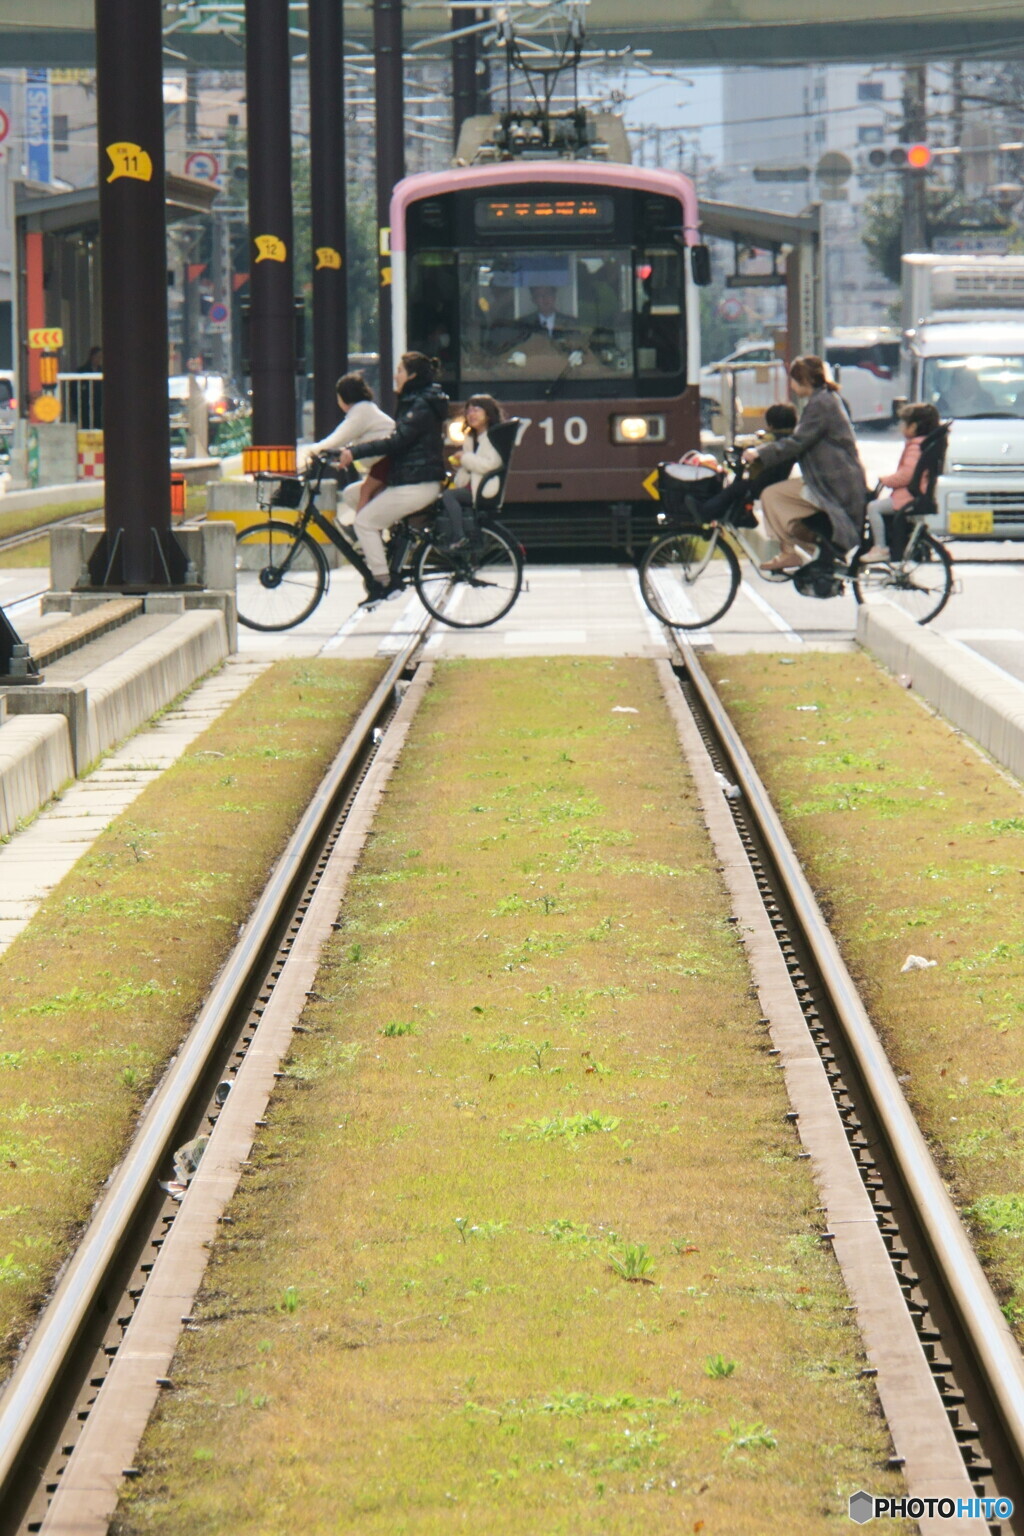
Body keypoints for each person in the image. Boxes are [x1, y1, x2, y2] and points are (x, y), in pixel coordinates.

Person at [337, 352, 449, 605]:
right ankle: (385, 549)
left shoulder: (419, 404)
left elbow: (396, 442)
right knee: (354, 494)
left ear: (412, 375)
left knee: (364, 522)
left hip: (417, 483)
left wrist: (355, 451)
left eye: (400, 370)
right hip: (411, 479)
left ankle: (384, 582)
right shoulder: (418, 400)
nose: (396, 375)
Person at [743, 354, 866, 571]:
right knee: (784, 505)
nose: (791, 385)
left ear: (805, 380)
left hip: (833, 483)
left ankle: (793, 553)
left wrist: (760, 453)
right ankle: (816, 553)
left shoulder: (821, 403)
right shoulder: (826, 399)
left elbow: (799, 441)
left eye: (793, 379)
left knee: (772, 495)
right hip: (832, 479)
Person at [299, 373, 394, 524]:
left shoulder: (360, 412)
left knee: (365, 493)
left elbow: (336, 439)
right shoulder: (366, 409)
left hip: (387, 461)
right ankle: (373, 531)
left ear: (342, 397)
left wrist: (312, 450)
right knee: (353, 494)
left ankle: (362, 530)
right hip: (387, 460)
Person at [861, 402, 940, 561]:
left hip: (907, 497)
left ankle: (880, 547)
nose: (901, 427)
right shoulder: (925, 444)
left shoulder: (915, 447)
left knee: (873, 507)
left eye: (904, 424)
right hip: (916, 494)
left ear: (914, 426)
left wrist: (886, 480)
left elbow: (906, 475)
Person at [440, 394, 504, 545]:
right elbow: (471, 465)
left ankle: (459, 535)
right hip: (473, 485)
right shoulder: (471, 438)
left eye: (476, 410)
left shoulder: (493, 436)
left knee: (449, 496)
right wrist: (460, 462)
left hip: (483, 488)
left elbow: (490, 464)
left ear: (488, 413)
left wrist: (465, 458)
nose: (471, 415)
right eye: (468, 412)